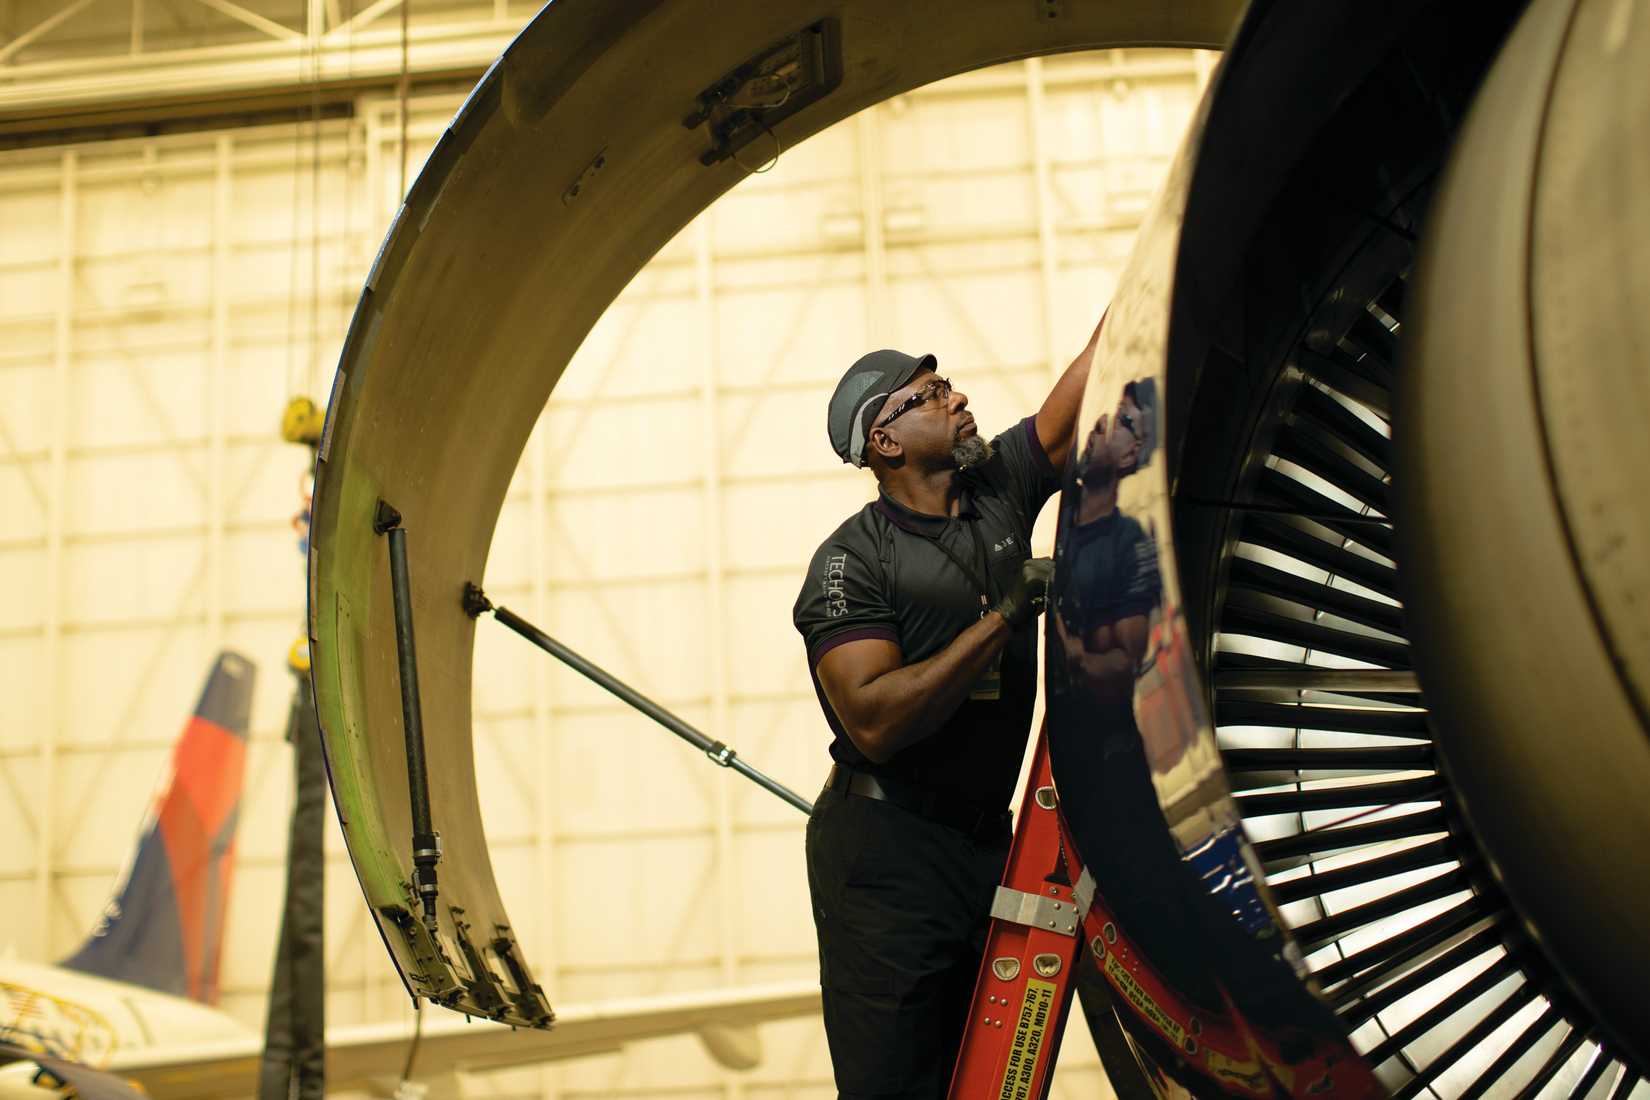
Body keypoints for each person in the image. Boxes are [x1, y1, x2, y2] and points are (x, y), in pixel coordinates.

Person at [792, 326, 1100, 1099]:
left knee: (987, 1078)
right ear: (884, 440)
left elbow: (1081, 395)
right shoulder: (849, 562)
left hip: (983, 841)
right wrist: (1004, 617)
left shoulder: (995, 487)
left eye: (948, 385)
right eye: (929, 396)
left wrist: (1159, 251)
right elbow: (873, 718)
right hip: (887, 854)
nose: (956, 397)